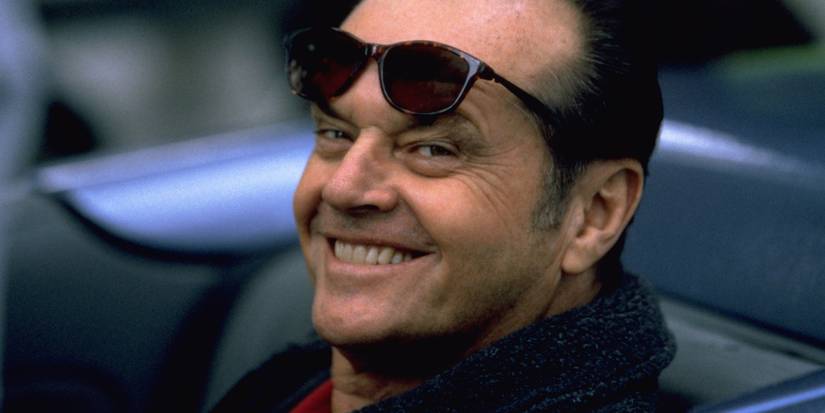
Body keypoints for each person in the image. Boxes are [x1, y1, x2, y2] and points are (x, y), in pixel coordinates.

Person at [213, 0, 674, 411]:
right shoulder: (291, 385)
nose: (343, 189)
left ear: (594, 214)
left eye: (434, 150)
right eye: (336, 134)